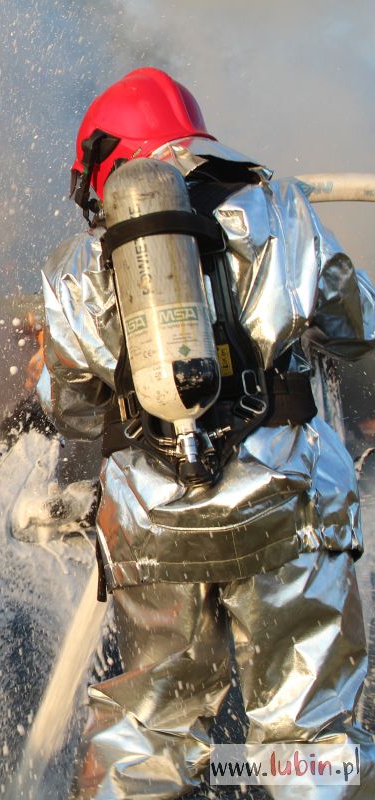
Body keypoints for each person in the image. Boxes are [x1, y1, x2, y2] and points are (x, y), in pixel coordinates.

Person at [37, 67, 375, 799]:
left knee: (147, 730)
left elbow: (70, 407)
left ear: (103, 164)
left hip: (154, 527)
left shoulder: (74, 269)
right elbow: (361, 332)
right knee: (305, 736)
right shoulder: (282, 208)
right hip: (289, 509)